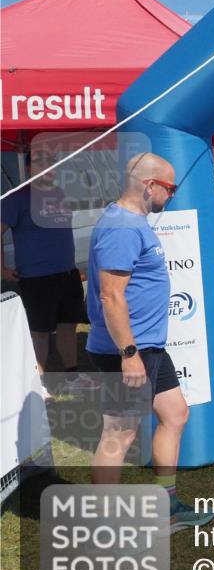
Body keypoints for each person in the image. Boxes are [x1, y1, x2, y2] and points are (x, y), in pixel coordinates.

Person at [87, 152, 214, 532]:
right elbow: (111, 296)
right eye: (170, 187)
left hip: (149, 348)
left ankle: (167, 507)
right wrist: (129, 355)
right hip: (129, 350)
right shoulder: (122, 227)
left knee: (175, 414)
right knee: (119, 434)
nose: (172, 194)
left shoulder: (133, 222)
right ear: (149, 184)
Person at [1, 152, 97, 398]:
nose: (47, 168)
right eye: (41, 163)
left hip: (67, 273)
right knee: (39, 332)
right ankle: (39, 384)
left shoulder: (59, 194)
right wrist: (1, 268)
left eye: (51, 164)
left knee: (68, 327)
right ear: (29, 166)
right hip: (36, 278)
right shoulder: (17, 199)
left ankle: (71, 377)